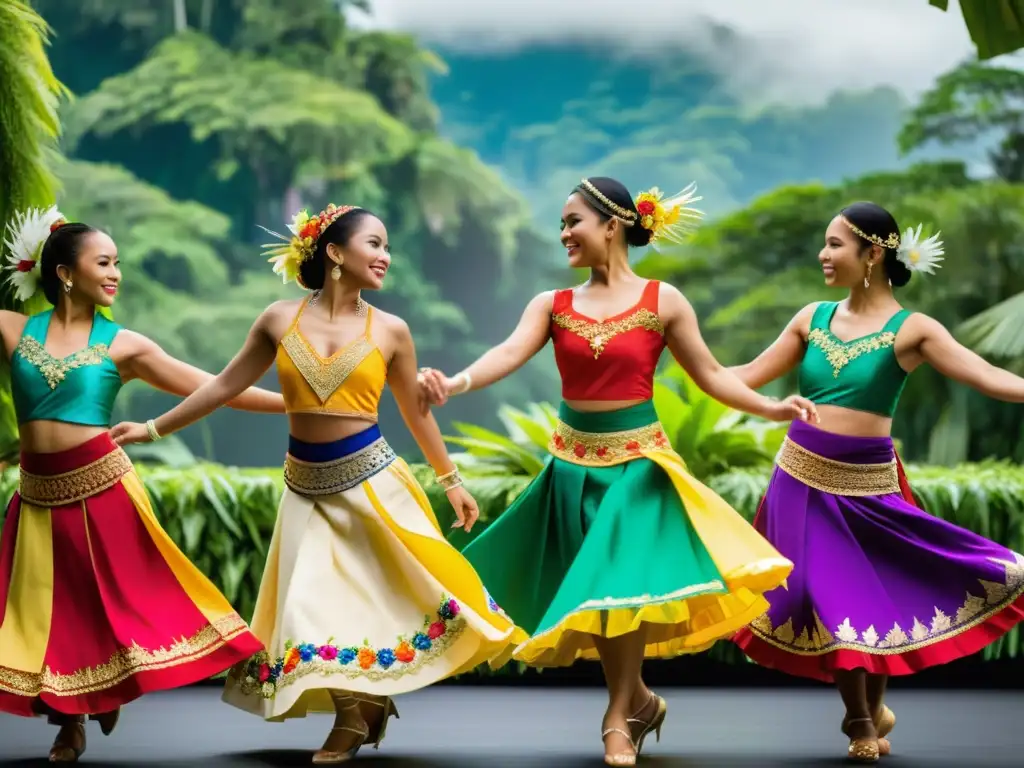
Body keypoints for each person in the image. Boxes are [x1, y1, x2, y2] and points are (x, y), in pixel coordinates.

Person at [417, 177, 817, 766]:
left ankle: (615, 720)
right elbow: (507, 352)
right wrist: (455, 382)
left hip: (639, 467)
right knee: (602, 600)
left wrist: (772, 406)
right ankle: (640, 702)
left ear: (612, 224)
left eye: (572, 221)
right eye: (560, 224)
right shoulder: (551, 305)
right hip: (572, 470)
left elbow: (710, 374)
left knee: (616, 585)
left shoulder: (664, 300)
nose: (563, 234)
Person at [110, 203, 526, 764]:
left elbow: (415, 412)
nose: (385, 256)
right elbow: (224, 386)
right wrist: (154, 427)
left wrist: (450, 480)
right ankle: (357, 713)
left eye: (387, 247)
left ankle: (357, 715)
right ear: (334, 252)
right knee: (309, 608)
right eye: (374, 244)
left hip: (372, 485)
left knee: (379, 604)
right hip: (304, 489)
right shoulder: (279, 319)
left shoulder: (392, 331)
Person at [727, 201, 1024, 763]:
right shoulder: (809, 318)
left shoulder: (912, 329)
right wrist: (672, 368)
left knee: (873, 599)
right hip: (801, 480)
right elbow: (742, 378)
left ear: (873, 253)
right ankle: (860, 718)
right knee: (825, 598)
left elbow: (984, 374)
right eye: (825, 243)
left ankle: (867, 713)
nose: (823, 254)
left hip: (870, 487)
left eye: (835, 244)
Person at [0, 206, 283, 762]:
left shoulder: (126, 345)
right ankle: (72, 721)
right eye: (103, 262)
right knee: (47, 614)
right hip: (37, 497)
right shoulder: (12, 329)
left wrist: (301, 405)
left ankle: (97, 703)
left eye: (117, 263)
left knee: (109, 604)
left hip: (103, 489)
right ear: (63, 272)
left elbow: (218, 387)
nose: (115, 273)